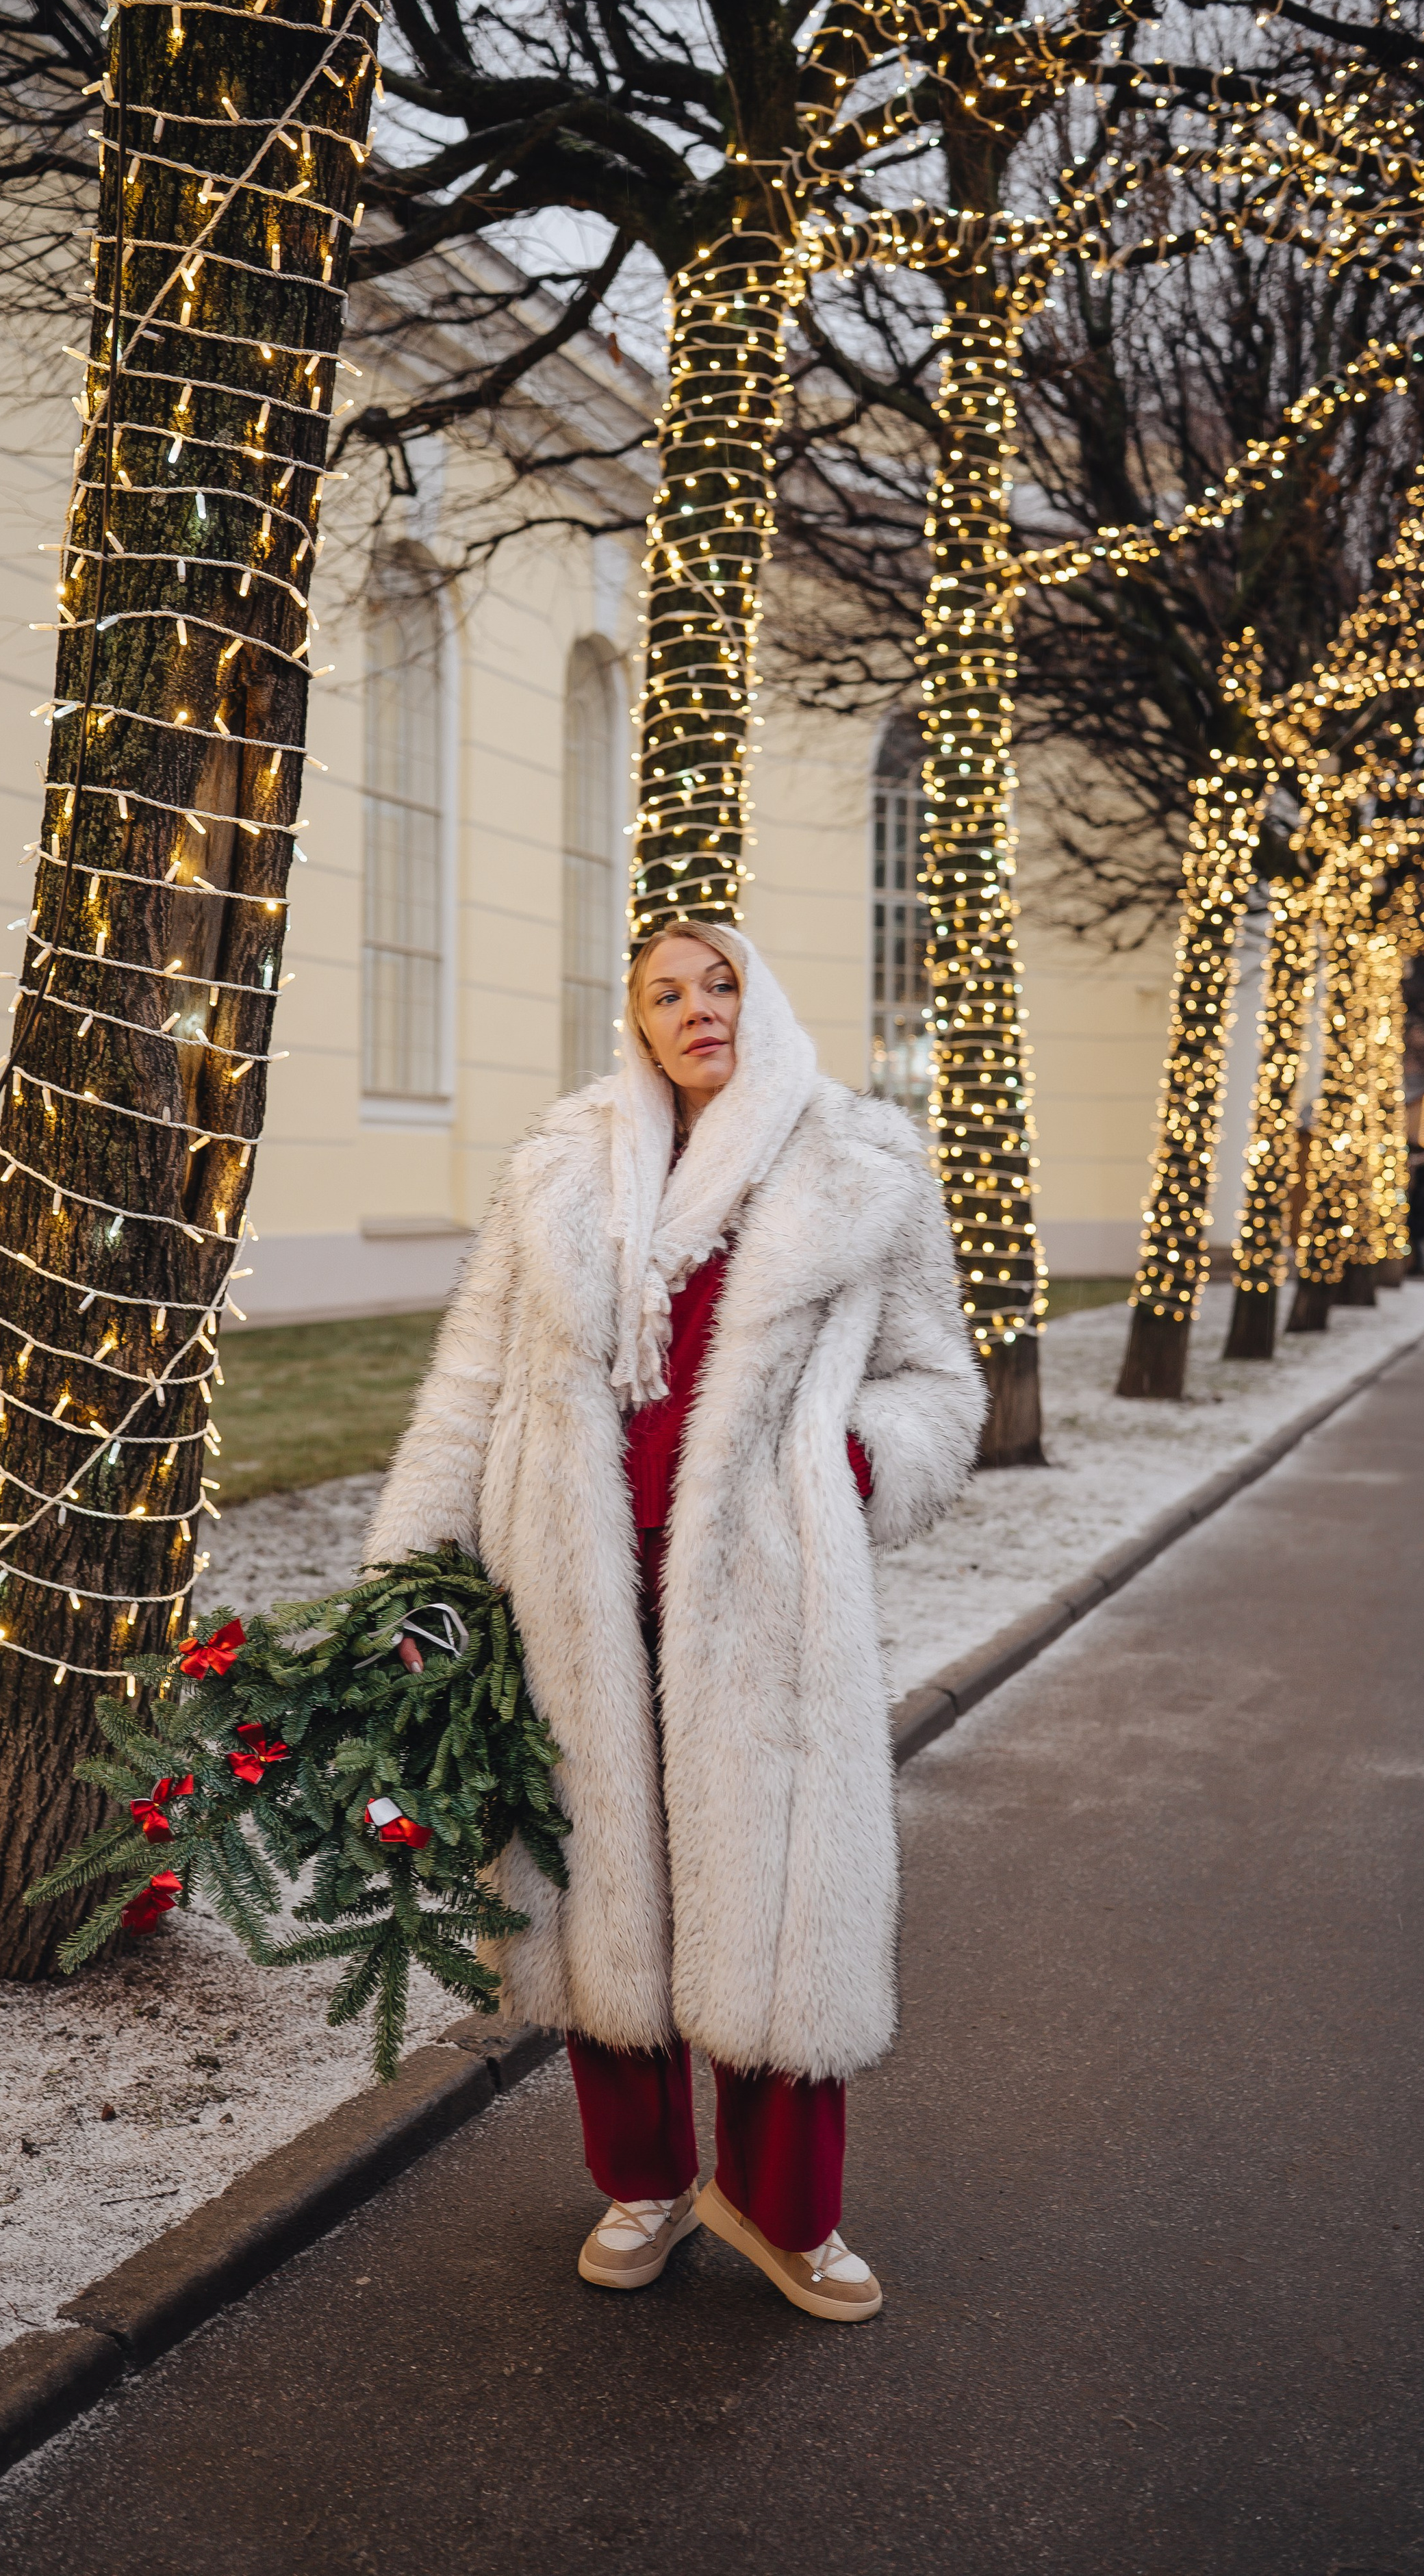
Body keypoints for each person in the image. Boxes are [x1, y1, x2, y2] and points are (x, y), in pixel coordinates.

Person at [363, 921, 984, 2322]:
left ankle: (783, 2211)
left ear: (761, 1000)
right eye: (665, 992)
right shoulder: (562, 1169)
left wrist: (845, 1463)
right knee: (604, 1897)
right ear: (636, 1023)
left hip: (765, 1600)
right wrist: (413, 1571)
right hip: (571, 1592)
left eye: (721, 983)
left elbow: (938, 1384)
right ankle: (642, 2183)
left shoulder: (860, 1164)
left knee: (775, 1904)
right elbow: (471, 1386)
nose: (696, 1008)